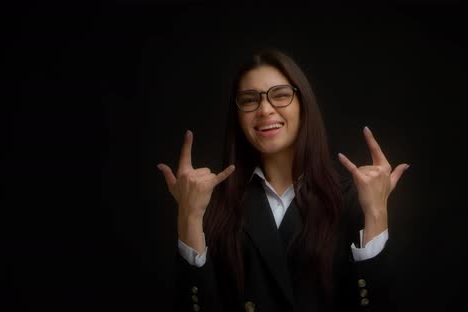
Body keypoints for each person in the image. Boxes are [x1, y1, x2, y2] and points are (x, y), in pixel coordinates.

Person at [157, 49, 410, 312]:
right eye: (249, 100)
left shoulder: (354, 196)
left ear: (304, 103)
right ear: (238, 116)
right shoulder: (210, 201)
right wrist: (189, 217)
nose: (265, 109)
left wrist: (376, 211)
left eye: (280, 95)